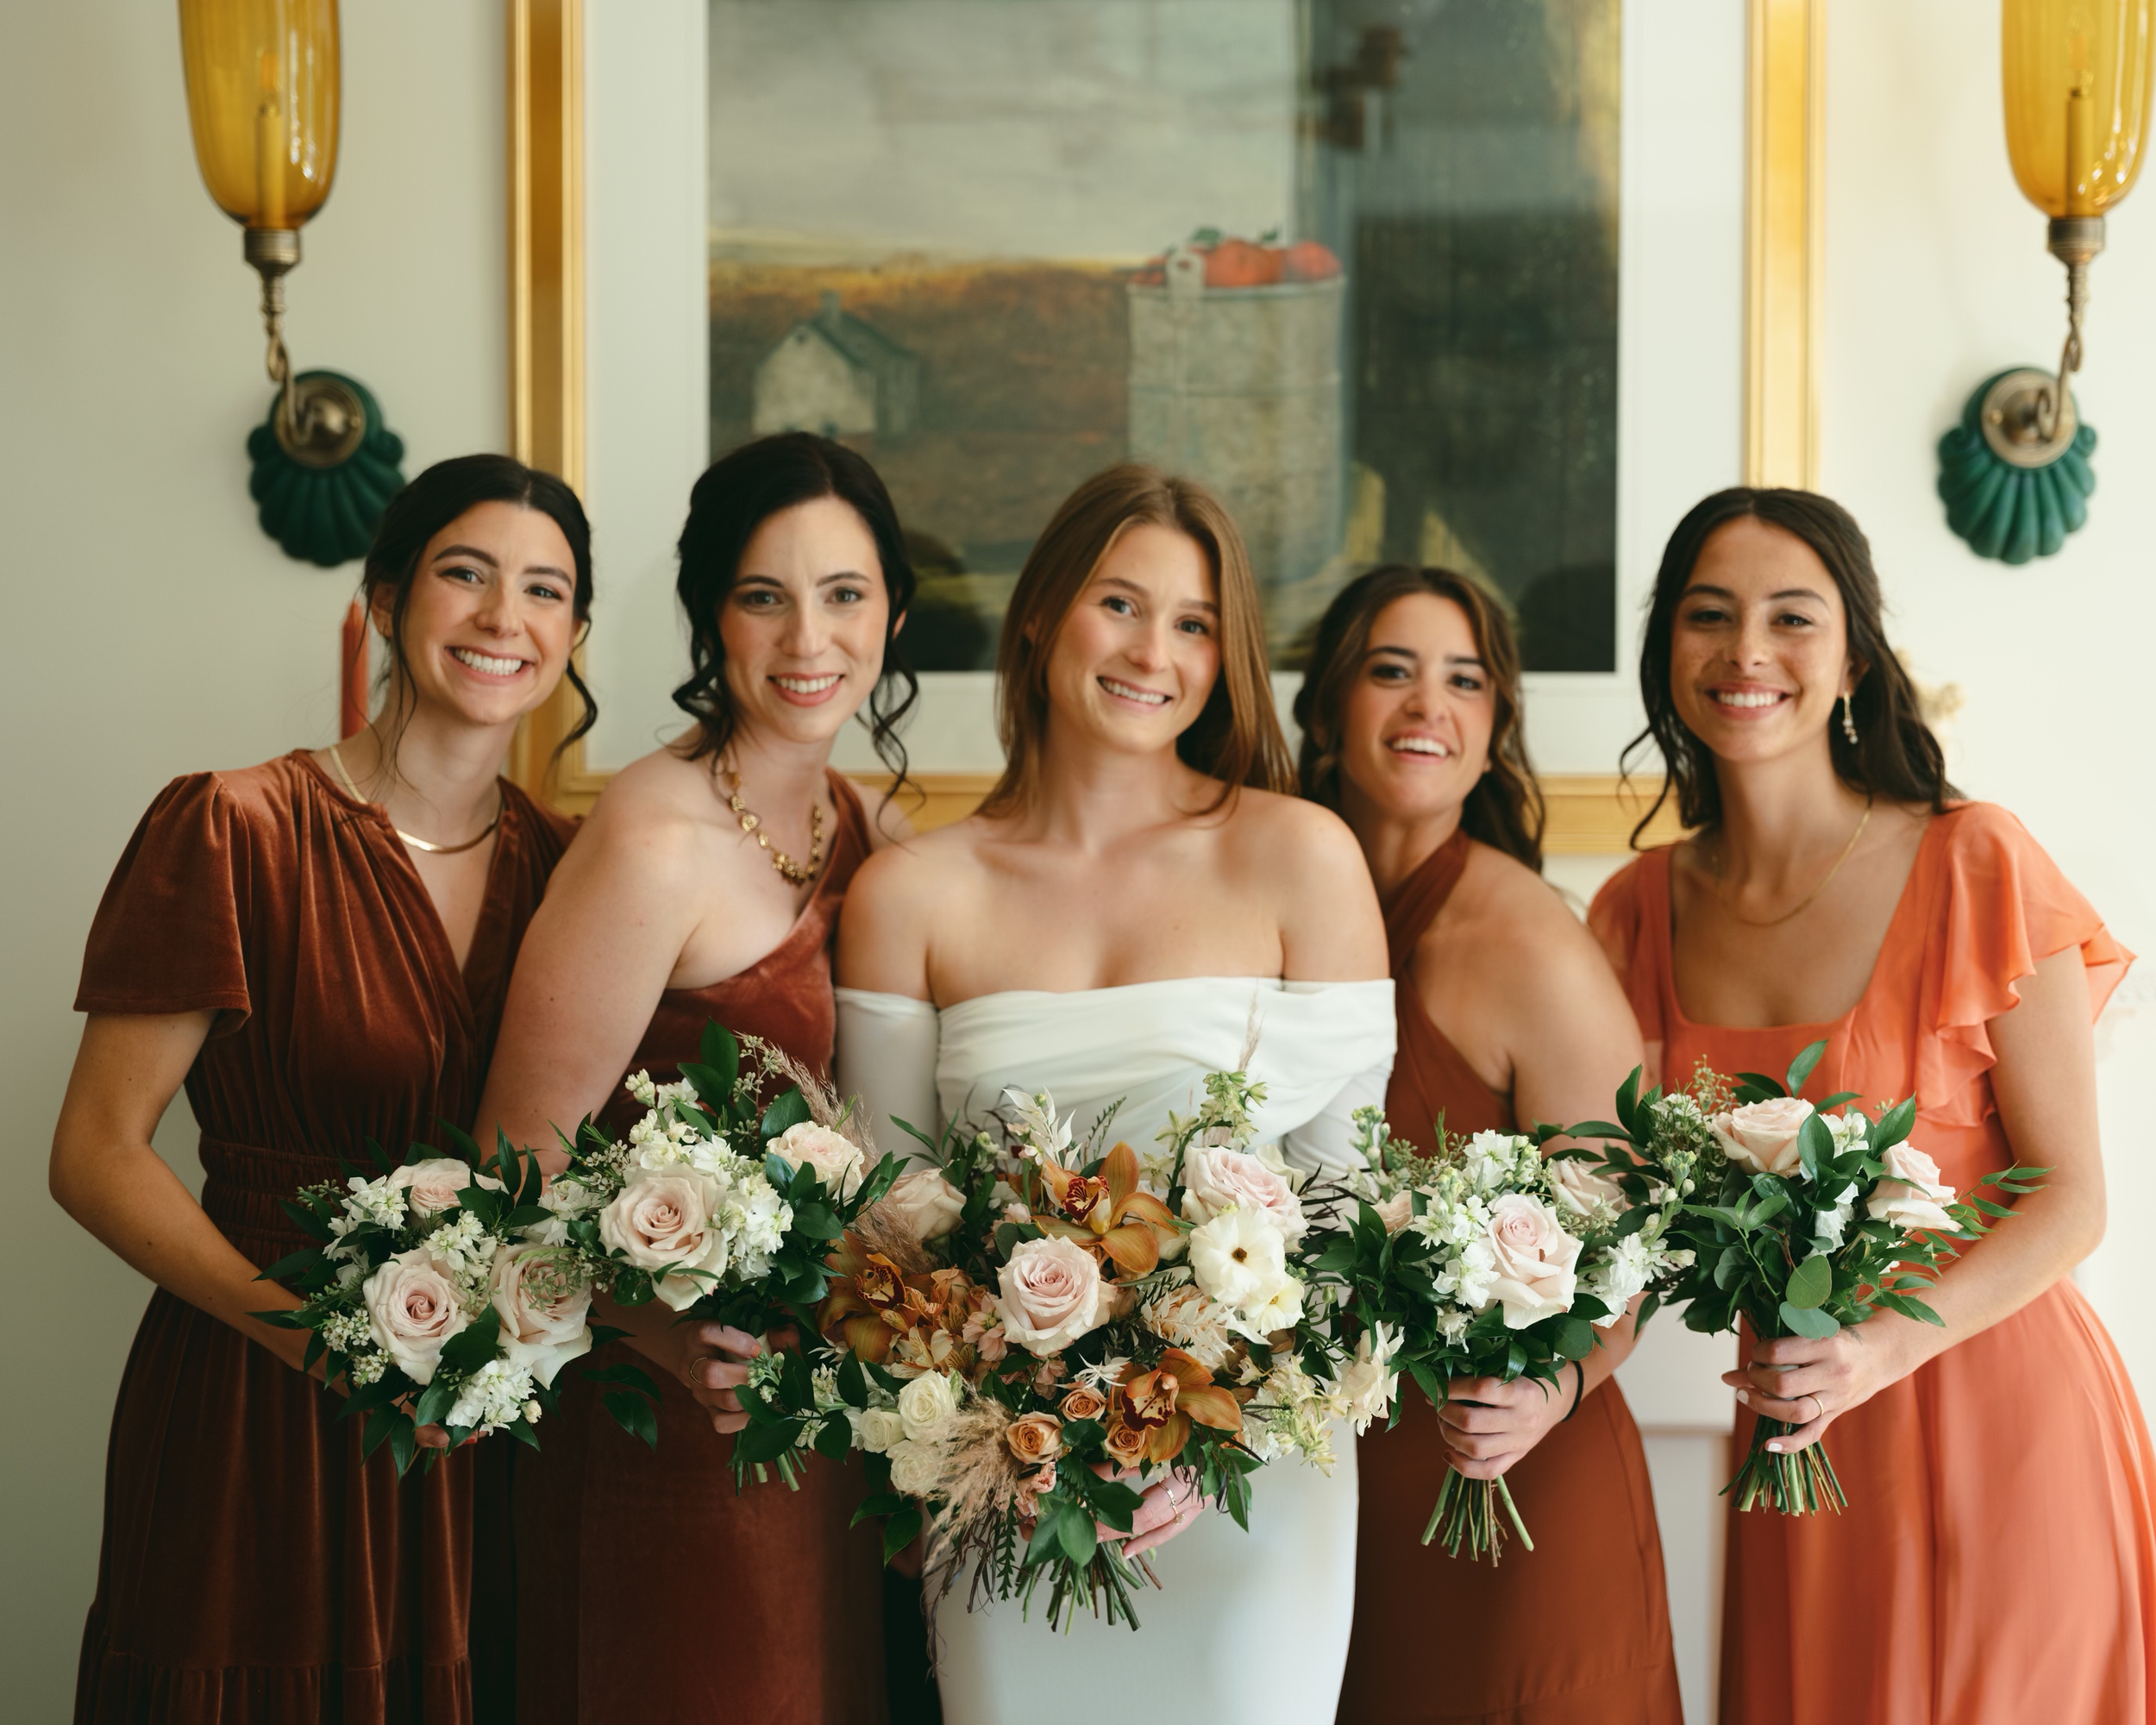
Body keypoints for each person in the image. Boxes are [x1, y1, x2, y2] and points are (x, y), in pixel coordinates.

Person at [835, 462, 1395, 1724]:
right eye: (1120, 605)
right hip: (1007, 1479)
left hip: (1256, 1478)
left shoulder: (1298, 855)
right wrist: (1015, 1435)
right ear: (1041, 616)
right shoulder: (913, 893)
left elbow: (1352, 1204)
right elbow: (887, 1229)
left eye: (1194, 623)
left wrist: (1204, 1427)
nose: (1156, 652)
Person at [1589, 486, 2153, 1725]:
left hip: (2001, 1422)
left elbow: (2074, 1196)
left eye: (1793, 617)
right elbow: (1617, 1218)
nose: (1746, 652)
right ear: (1667, 655)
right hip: (1802, 1449)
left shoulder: (1975, 861)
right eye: (1709, 616)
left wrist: (1887, 1347)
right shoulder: (1633, 912)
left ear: (1854, 656)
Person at [53, 455, 591, 1723]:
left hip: (481, 1424)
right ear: (390, 600)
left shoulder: (574, 872)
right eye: (466, 575)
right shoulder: (230, 828)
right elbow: (95, 1153)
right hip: (253, 1397)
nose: (503, 618)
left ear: (573, 635)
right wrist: (320, 1343)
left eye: (545, 591)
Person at [476, 432, 912, 1724]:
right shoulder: (652, 840)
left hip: (820, 1434)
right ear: (709, 615)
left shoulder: (871, 826)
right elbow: (510, 1160)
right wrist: (653, 1328)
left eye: (845, 595)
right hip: (671, 1426)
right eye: (762, 597)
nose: (808, 640)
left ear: (891, 610)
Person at [1294, 564, 1683, 1723]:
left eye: (1465, 681)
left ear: (1495, 728)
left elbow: (1632, 1234)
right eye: (1392, 673)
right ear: (1327, 711)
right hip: (1331, 1498)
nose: (1430, 708)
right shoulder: (1269, 900)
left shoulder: (1528, 946)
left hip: (1512, 1482)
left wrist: (1555, 1389)